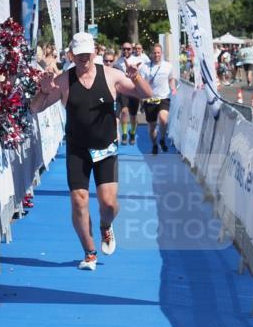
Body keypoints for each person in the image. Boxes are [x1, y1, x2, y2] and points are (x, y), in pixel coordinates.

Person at [29, 32, 153, 271]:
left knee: (108, 205)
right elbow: (35, 108)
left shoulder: (112, 76)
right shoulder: (65, 80)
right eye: (79, 55)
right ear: (71, 55)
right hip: (78, 149)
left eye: (88, 54)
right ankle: (89, 252)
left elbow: (147, 94)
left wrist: (135, 76)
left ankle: (106, 226)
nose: (84, 59)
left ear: (94, 53)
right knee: (79, 201)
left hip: (105, 148)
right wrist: (43, 91)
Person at [142, 43, 176, 155]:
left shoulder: (168, 66)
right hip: (150, 99)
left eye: (158, 52)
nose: (156, 54)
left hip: (163, 97)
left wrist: (173, 88)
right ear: (151, 54)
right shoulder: (145, 66)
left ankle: (162, 138)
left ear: (161, 53)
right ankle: (155, 144)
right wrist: (147, 83)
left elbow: (171, 79)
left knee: (163, 119)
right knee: (152, 127)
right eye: (154, 52)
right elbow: (140, 83)